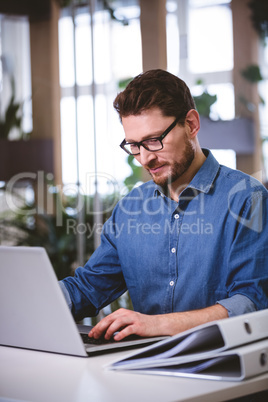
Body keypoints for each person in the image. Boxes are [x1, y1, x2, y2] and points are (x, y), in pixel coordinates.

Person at [60, 69, 268, 342]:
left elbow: (252, 303)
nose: (145, 158)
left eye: (153, 141)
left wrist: (157, 324)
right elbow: (88, 289)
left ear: (191, 124)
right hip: (143, 369)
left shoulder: (247, 198)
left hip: (221, 366)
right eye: (134, 145)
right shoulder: (129, 209)